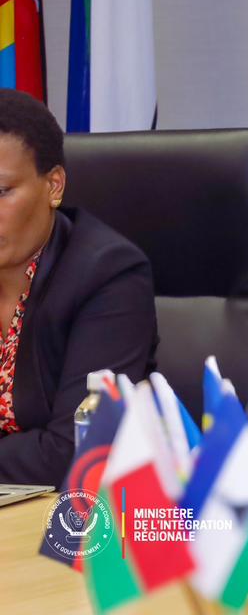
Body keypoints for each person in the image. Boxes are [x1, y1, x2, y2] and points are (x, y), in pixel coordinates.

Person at [0, 89, 157, 487]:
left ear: (54, 186)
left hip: (80, 512)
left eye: (1, 192)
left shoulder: (108, 275)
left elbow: (74, 449)